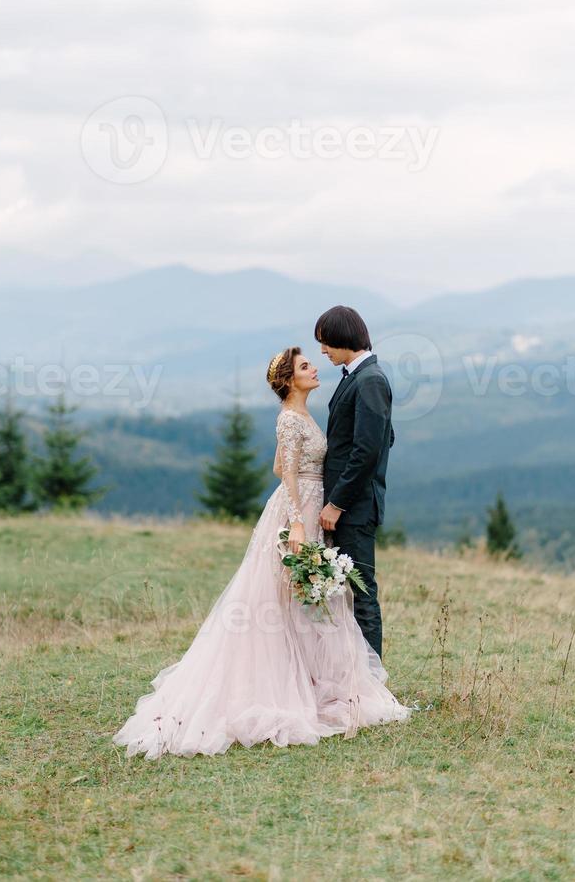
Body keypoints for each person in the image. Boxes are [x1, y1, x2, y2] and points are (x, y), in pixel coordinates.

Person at [111, 346, 410, 759]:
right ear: (289, 380)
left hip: (310, 500)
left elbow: (276, 465)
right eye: (306, 366)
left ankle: (314, 681)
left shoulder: (300, 415)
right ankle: (282, 687)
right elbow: (285, 473)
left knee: (303, 600)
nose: (314, 367)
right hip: (298, 511)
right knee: (285, 598)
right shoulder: (289, 418)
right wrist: (298, 521)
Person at [315, 306, 393, 659]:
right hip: (350, 504)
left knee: (362, 595)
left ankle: (372, 683)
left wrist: (337, 502)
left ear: (342, 337)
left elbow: (368, 450)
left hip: (356, 508)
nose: (322, 351)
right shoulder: (355, 377)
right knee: (346, 592)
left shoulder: (370, 380)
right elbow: (382, 437)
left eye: (325, 342)